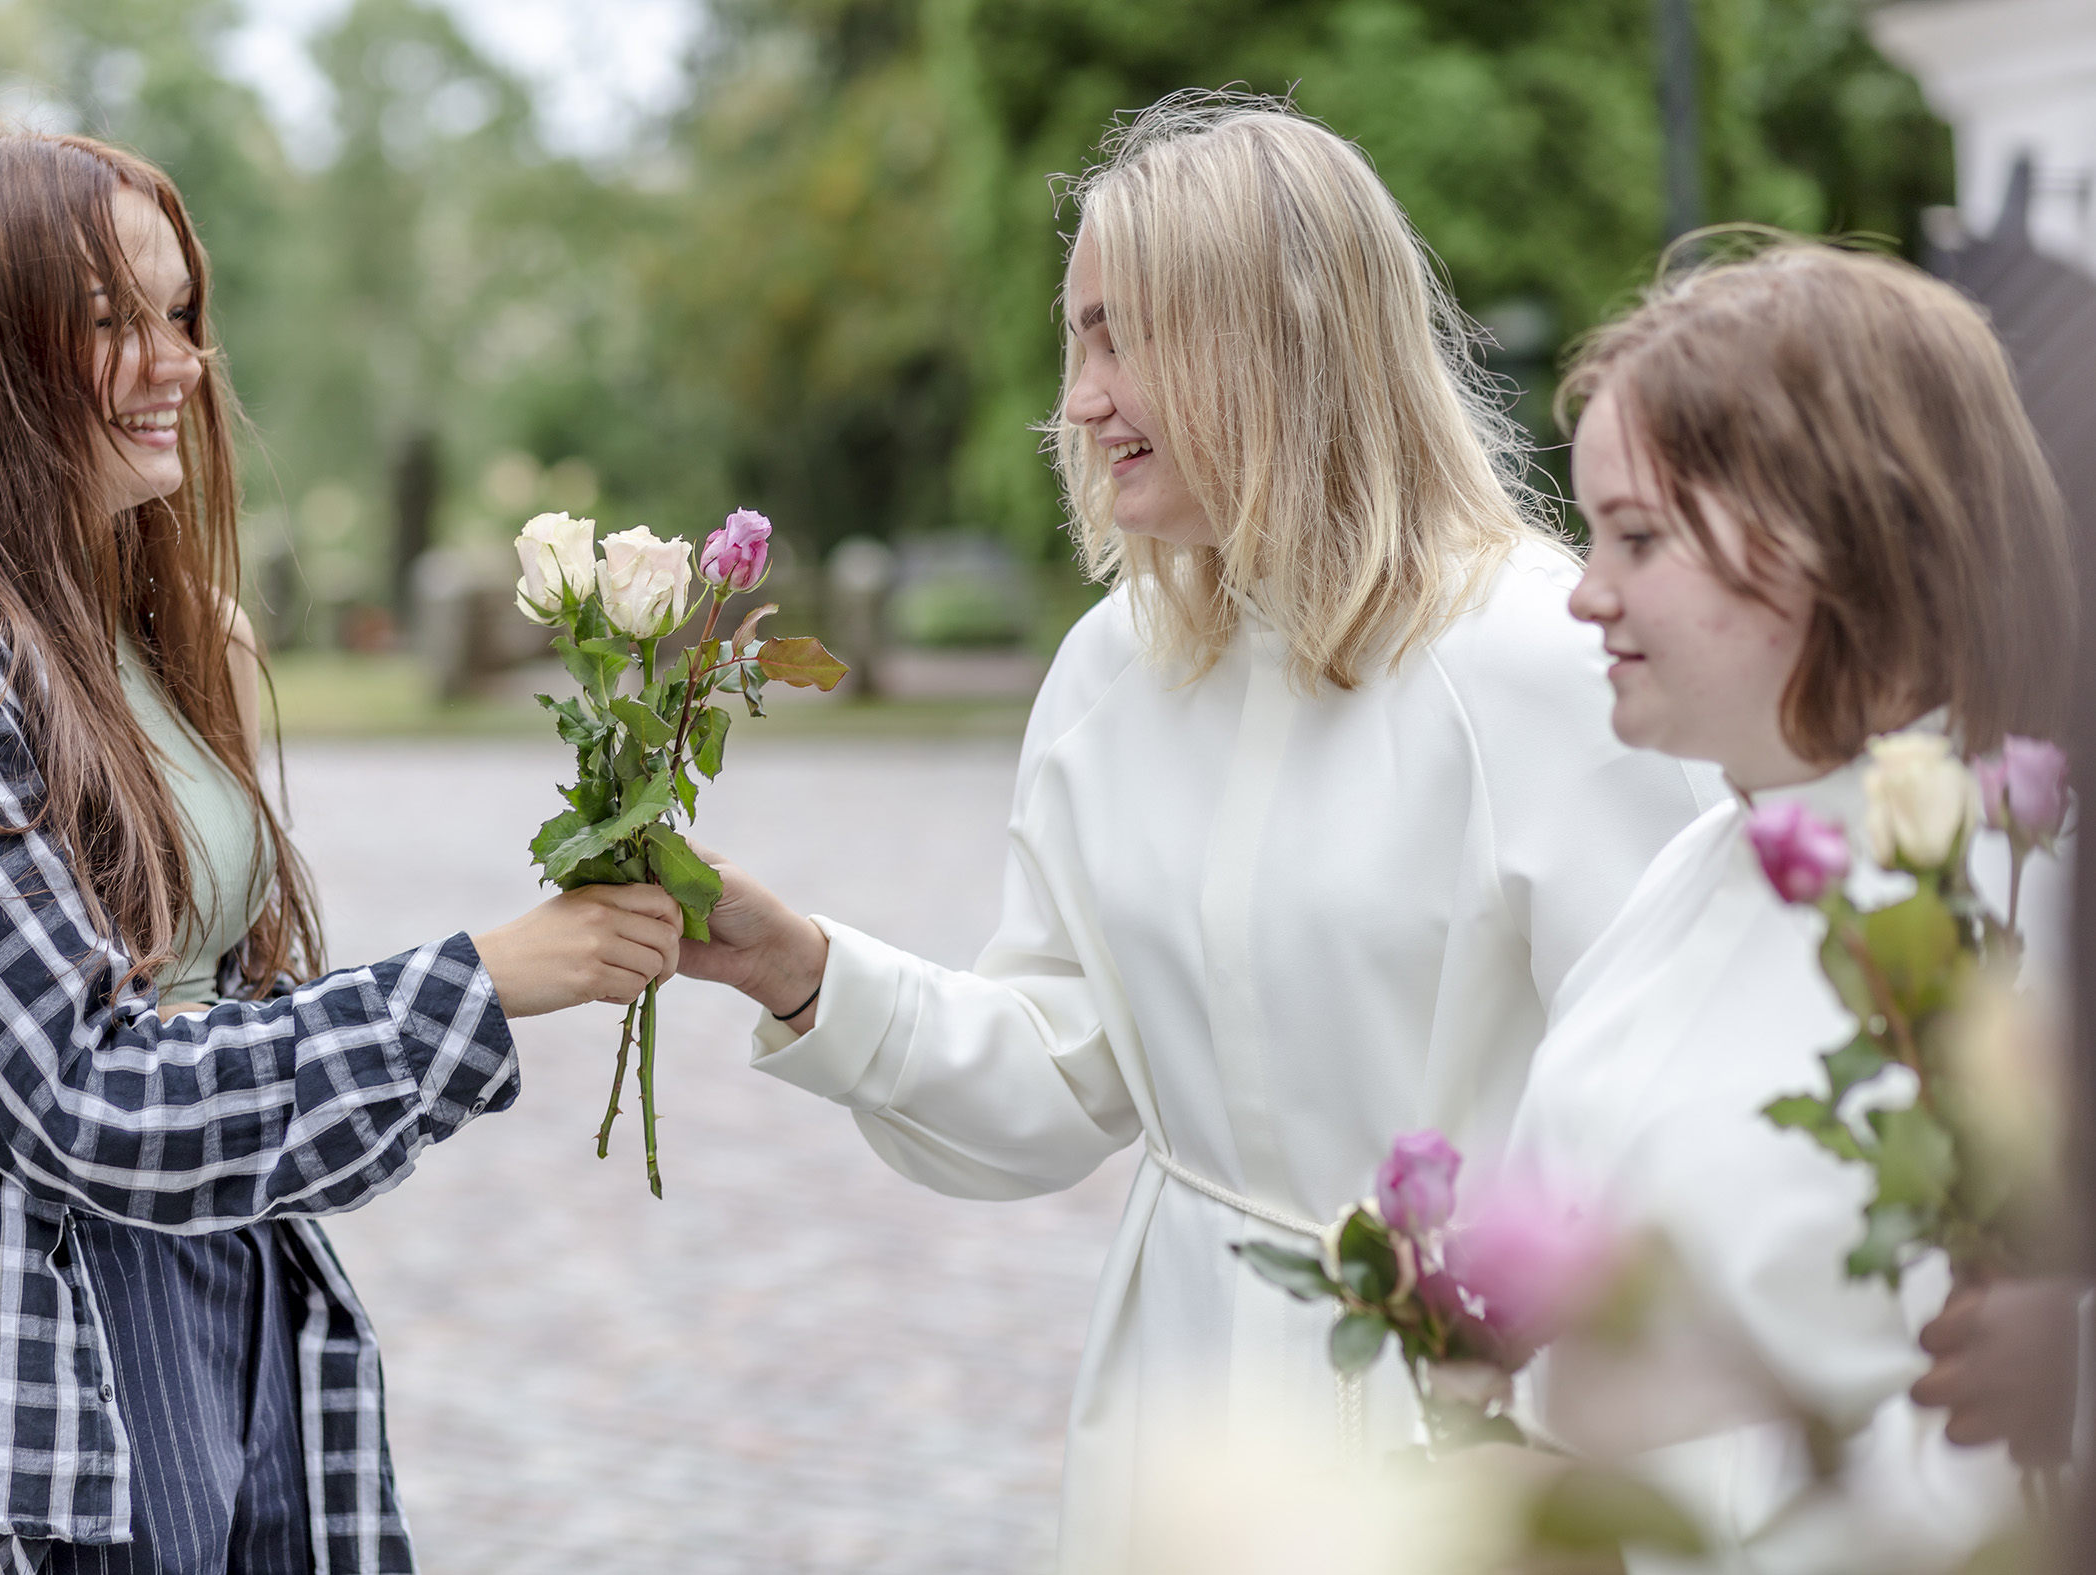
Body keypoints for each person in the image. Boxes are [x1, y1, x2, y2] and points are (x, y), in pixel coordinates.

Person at [678, 91, 1706, 1567]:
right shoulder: (1118, 664)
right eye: (1077, 336)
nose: (1081, 398)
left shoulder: (1542, 658)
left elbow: (1664, 1136)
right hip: (1177, 1407)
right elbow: (1062, 1073)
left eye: (1123, 336)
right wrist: (800, 971)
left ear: (1283, 338)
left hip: (1463, 1425)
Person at [0, 128, 683, 1575]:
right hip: (52, 1375)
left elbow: (213, 1030)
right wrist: (478, 984)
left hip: (232, 1284)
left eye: (180, 313)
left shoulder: (155, 637)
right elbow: (87, 1096)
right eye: (111, 319)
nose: (176, 360)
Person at [1504, 239, 2075, 1569]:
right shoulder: (1693, 868)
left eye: (1637, 537)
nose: (1584, 593)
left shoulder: (2016, 908)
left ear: (1838, 535)